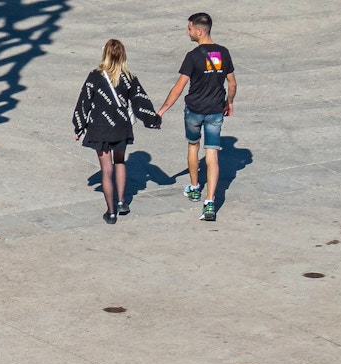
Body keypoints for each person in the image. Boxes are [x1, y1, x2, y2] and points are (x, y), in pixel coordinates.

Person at [156, 12, 237, 222]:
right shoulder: (224, 53)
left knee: (193, 146)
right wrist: (229, 103)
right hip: (215, 111)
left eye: (190, 28)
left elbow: (178, 88)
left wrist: (162, 110)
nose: (187, 31)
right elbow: (233, 83)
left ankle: (194, 188)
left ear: (199, 31)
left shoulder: (192, 56)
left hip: (194, 110)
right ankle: (210, 202)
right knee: (212, 154)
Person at [73, 39, 162, 224]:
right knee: (119, 161)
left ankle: (111, 212)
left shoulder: (95, 76)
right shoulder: (129, 77)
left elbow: (84, 102)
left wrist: (79, 126)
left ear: (105, 54)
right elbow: (140, 101)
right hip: (121, 126)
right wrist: (153, 120)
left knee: (106, 170)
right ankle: (122, 202)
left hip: (100, 128)